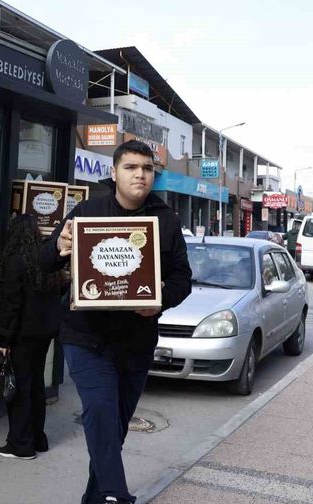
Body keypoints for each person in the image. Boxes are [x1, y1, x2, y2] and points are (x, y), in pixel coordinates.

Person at [40, 140, 192, 504]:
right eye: (131, 167)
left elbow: (182, 280)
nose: (140, 174)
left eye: (147, 168)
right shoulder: (87, 212)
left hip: (136, 343)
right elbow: (44, 260)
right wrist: (59, 248)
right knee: (99, 411)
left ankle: (96, 499)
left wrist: (158, 302)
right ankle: (117, 495)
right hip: (86, 338)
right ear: (114, 172)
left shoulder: (166, 220)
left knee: (114, 429)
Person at [0, 214, 63, 460]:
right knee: (35, 385)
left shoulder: (15, 261)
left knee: (20, 388)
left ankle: (21, 445)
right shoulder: (45, 260)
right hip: (44, 334)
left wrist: (4, 340)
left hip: (22, 334)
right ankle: (38, 439)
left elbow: (11, 304)